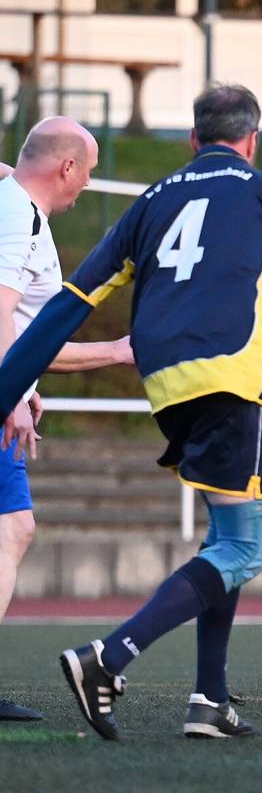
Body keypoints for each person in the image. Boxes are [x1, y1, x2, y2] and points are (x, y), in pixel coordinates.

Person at [0, 84, 262, 741]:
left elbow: (64, 308)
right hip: (231, 381)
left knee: (227, 534)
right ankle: (108, 658)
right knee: (248, 548)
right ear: (252, 141)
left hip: (165, 386)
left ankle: (208, 701)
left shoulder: (153, 199)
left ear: (193, 140)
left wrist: (2, 393)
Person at [0, 123, 134, 723]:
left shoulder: (20, 212)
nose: (90, 181)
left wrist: (119, 351)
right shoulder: (16, 214)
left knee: (15, 528)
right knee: (12, 529)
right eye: (90, 168)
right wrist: (11, 390)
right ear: (67, 169)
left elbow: (37, 339)